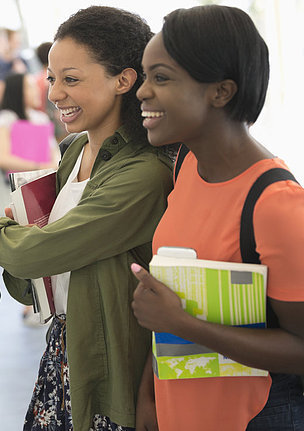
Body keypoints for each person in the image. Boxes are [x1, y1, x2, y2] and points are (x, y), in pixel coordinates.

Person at [0, 6, 174, 431]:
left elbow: (34, 254)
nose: (54, 93)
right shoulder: (75, 151)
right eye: (51, 77)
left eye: (72, 79)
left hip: (110, 371)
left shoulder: (145, 173)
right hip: (63, 352)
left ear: (123, 80)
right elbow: (36, 279)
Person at [130, 5, 304, 431]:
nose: (141, 91)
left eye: (161, 77)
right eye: (145, 74)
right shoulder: (185, 162)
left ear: (221, 92)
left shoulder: (277, 204)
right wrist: (148, 396)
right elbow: (172, 289)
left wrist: (181, 324)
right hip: (181, 409)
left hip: (256, 416)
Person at [0, 73, 59, 173]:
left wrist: (54, 166)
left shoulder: (42, 119)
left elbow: (54, 152)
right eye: (30, 87)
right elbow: (2, 159)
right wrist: (40, 167)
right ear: (17, 92)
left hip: (43, 176)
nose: (37, 91)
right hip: (10, 184)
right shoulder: (6, 118)